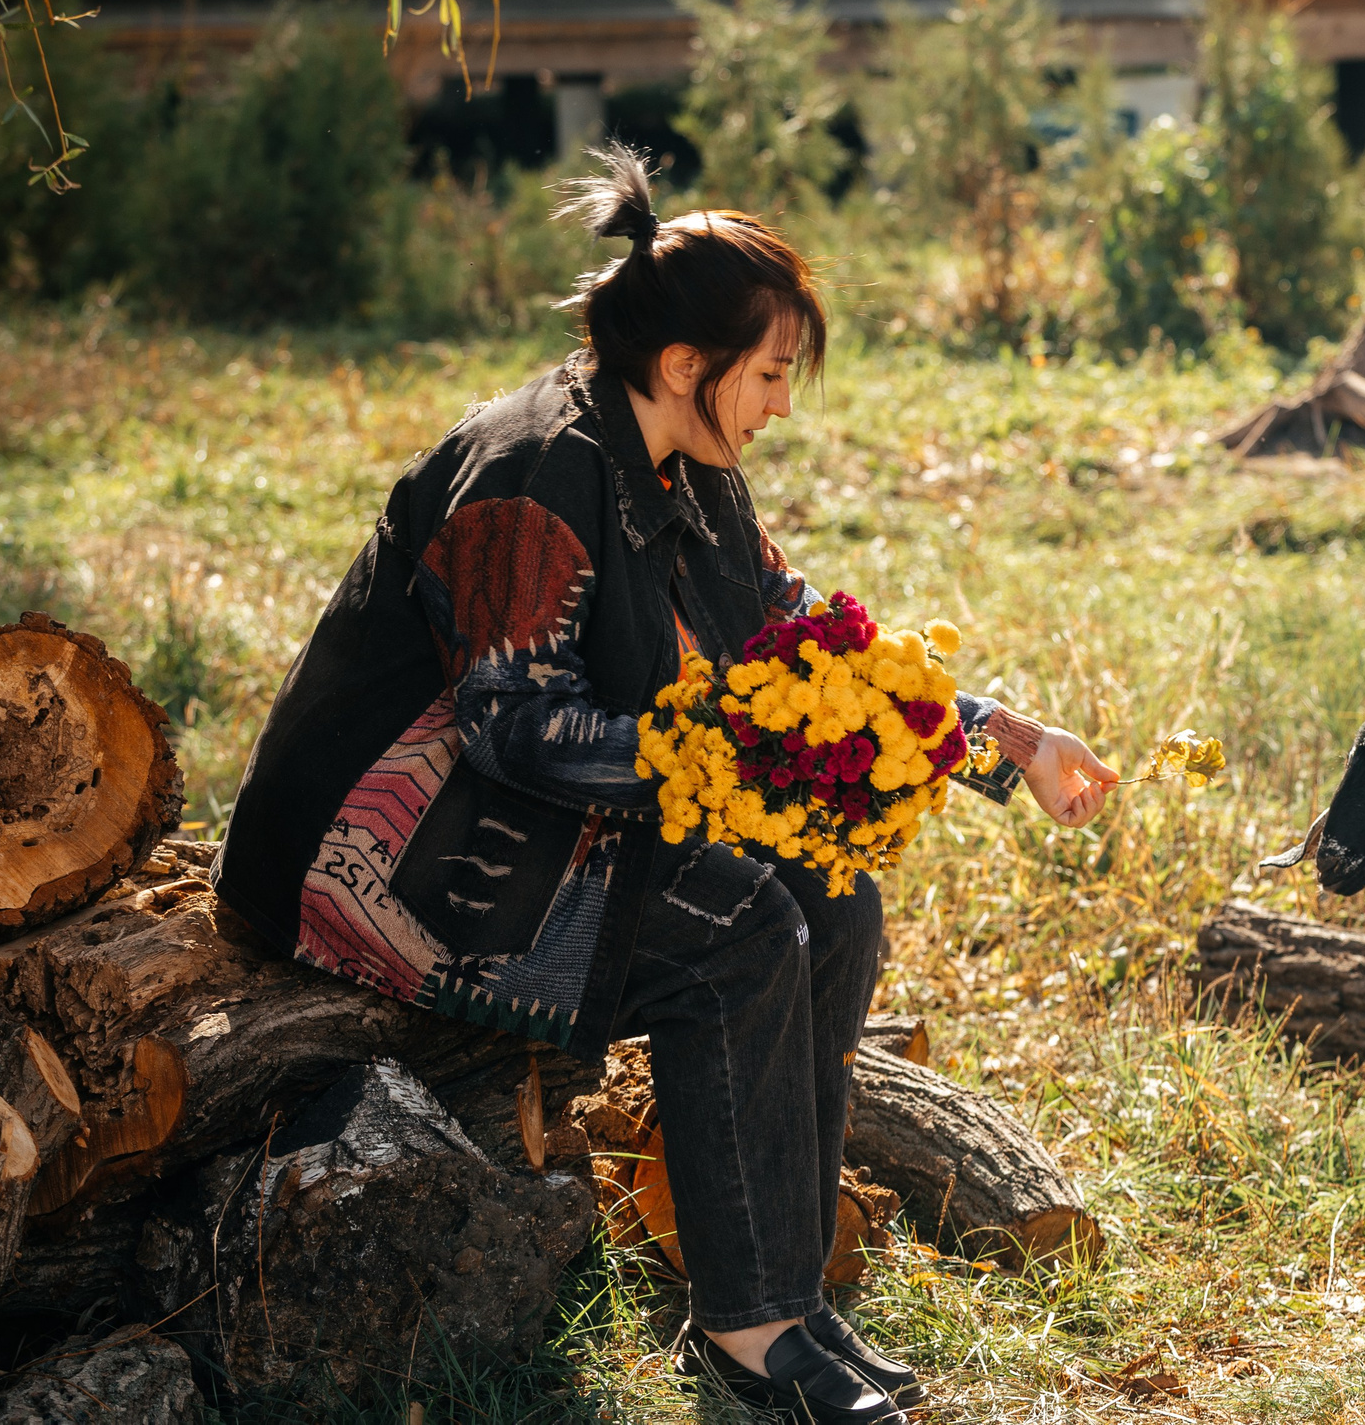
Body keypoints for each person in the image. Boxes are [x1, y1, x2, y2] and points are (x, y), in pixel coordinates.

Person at [212, 144, 1118, 1423]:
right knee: (742, 932)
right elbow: (508, 726)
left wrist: (1009, 740)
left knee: (835, 899)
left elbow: (805, 650)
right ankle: (744, 1333)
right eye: (768, 374)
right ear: (686, 366)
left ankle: (792, 1293)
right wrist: (719, 765)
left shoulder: (691, 472)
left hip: (542, 816)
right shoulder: (532, 470)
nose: (782, 406)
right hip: (386, 853)